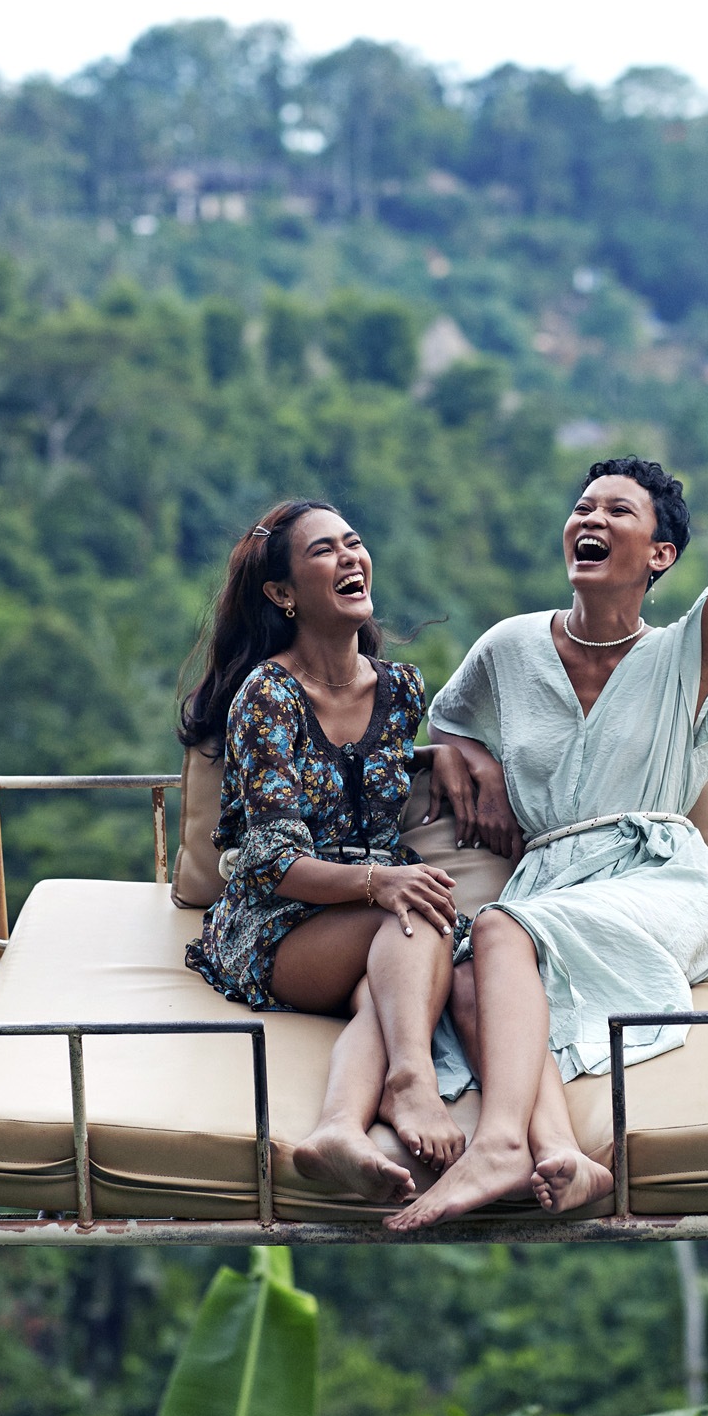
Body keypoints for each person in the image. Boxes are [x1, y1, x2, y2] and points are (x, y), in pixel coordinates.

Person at [387, 276, 708, 1231]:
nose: (592, 519)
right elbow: (446, 721)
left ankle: (502, 1143)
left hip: (656, 878)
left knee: (494, 934)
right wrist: (466, 753)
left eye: (619, 512)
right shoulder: (507, 648)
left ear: (660, 555)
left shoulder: (685, 660)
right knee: (463, 970)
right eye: (584, 507)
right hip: (550, 882)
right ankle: (561, 1158)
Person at [179, 499, 478, 1206]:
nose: (350, 557)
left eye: (355, 542)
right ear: (283, 595)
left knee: (387, 981)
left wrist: (456, 756)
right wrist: (382, 882)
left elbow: (381, 767)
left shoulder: (401, 689)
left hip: (367, 918)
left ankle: (339, 1127)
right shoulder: (268, 697)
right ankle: (410, 1080)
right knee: (417, 916)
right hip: (277, 920)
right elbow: (273, 866)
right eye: (324, 551)